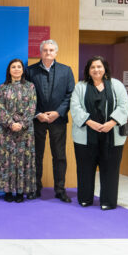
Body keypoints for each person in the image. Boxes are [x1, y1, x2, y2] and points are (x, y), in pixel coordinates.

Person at [70, 56, 128, 210]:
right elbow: (75, 107)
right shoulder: (80, 87)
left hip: (111, 135)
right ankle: (85, 199)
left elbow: (124, 105)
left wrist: (112, 122)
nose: (96, 70)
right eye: (93, 67)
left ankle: (108, 201)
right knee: (85, 169)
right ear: (88, 70)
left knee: (110, 170)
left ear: (105, 69)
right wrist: (90, 122)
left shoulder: (116, 85)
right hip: (85, 135)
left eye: (99, 66)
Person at [26, 39, 75, 202]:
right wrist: (37, 113)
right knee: (36, 156)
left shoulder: (66, 71)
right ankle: (35, 188)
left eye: (51, 50)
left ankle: (60, 190)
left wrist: (58, 112)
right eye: (45, 50)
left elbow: (70, 95)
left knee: (59, 156)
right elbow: (26, 96)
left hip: (58, 120)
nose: (48, 53)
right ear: (40, 52)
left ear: (56, 52)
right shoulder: (30, 71)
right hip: (37, 120)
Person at [0, 59, 37, 203]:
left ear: (23, 70)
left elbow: (32, 107)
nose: (17, 69)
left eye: (19, 67)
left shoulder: (30, 86)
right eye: (13, 67)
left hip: (25, 131)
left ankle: (20, 191)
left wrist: (21, 124)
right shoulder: (3, 87)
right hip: (6, 131)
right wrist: (11, 123)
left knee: (22, 160)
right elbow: (0, 108)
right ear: (9, 70)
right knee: (6, 160)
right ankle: (7, 191)